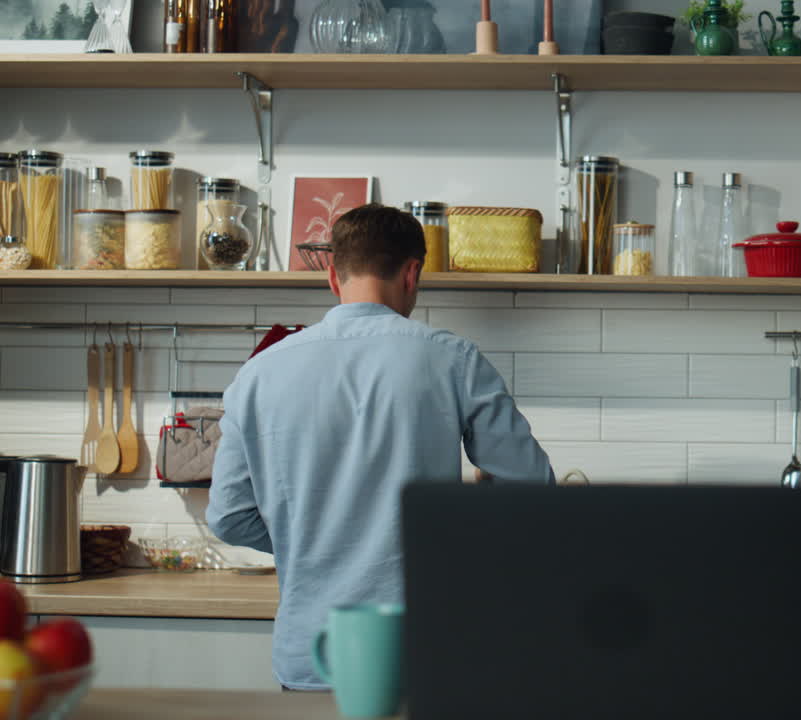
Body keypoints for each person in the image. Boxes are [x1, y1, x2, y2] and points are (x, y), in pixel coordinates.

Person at [207, 203, 555, 690]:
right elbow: (533, 486)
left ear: (333, 275)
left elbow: (227, 517)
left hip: (312, 656)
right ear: (412, 273)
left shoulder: (259, 373)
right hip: (422, 654)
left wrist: (306, 539)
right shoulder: (452, 360)